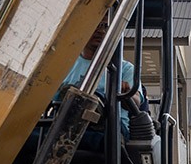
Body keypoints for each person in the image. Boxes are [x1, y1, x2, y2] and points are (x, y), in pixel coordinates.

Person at [55, 14, 143, 151]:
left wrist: (126, 94)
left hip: (110, 127)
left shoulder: (125, 69)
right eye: (96, 25)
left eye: (105, 26)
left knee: (99, 100)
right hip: (64, 125)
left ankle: (92, 104)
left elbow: (136, 102)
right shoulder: (64, 67)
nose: (101, 31)